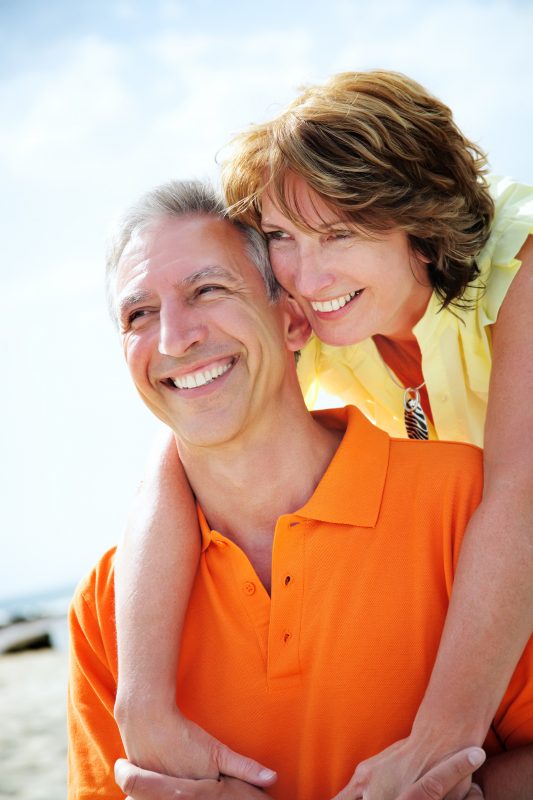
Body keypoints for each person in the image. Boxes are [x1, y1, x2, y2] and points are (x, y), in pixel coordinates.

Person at [113, 72, 533, 799]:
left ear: (420, 224)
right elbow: (186, 449)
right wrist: (143, 696)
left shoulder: (517, 262)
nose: (304, 274)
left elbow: (520, 492)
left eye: (338, 232)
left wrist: (441, 740)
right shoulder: (335, 318)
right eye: (280, 236)